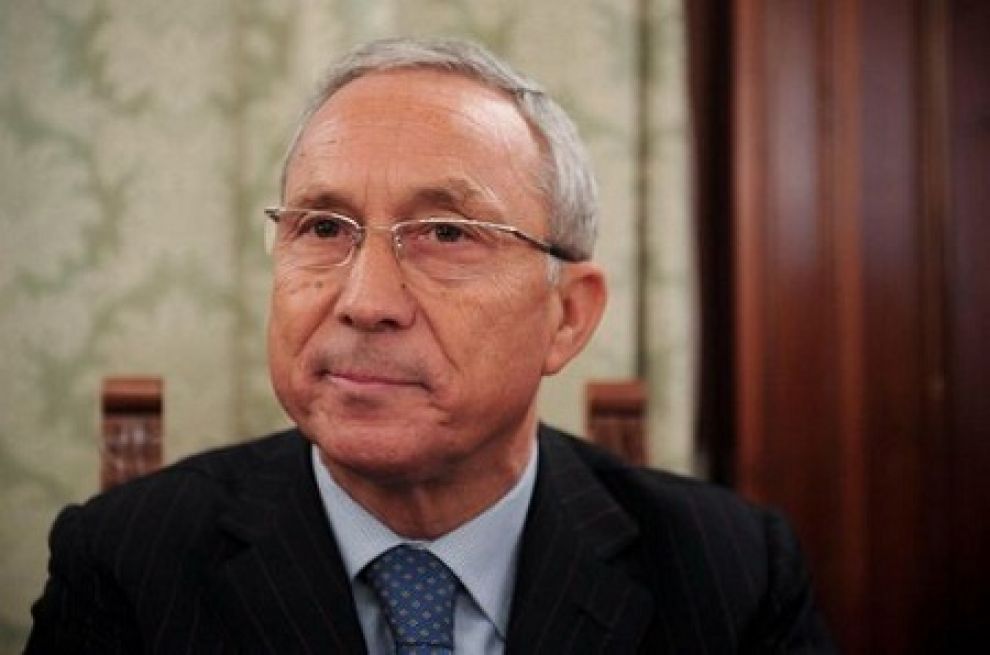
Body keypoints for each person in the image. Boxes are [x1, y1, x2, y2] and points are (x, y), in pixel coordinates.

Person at [26, 37, 833, 654]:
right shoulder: (125, 562)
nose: (365, 302)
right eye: (324, 227)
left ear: (567, 316)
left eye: (447, 232)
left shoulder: (732, 573)